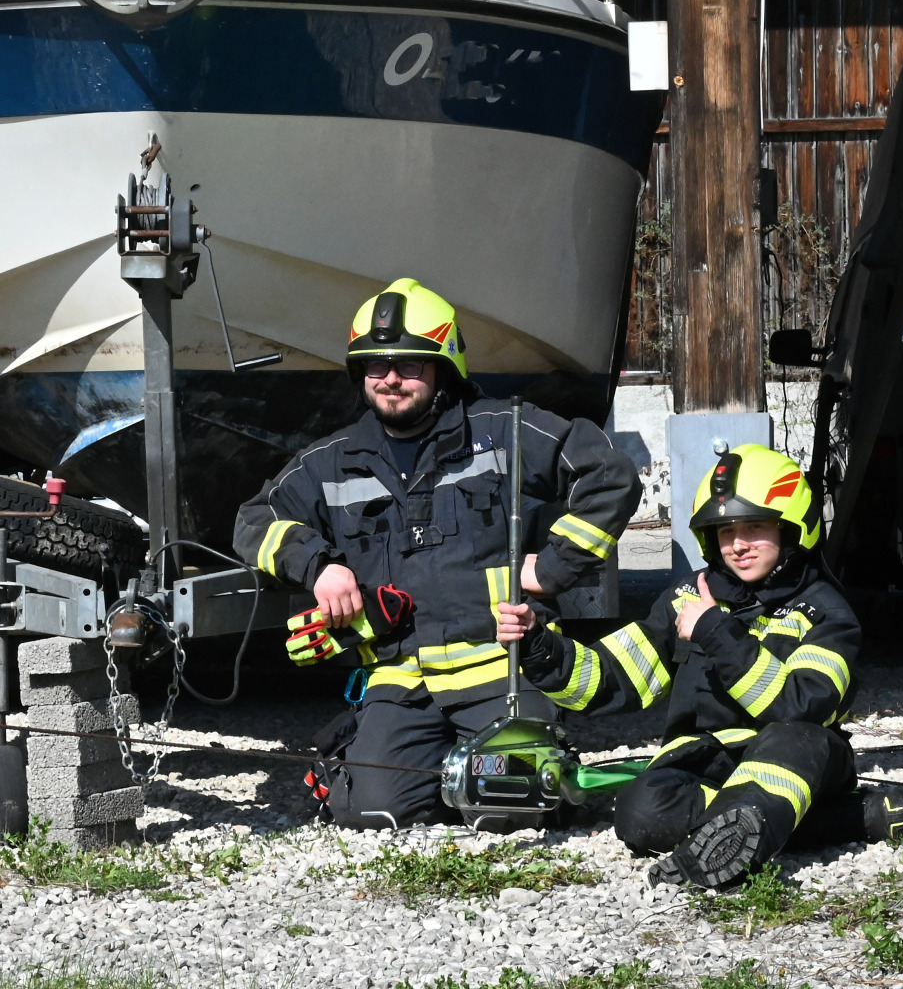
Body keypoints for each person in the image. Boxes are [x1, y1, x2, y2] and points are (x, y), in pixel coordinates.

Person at [233, 277, 641, 829]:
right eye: (376, 366)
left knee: (514, 810)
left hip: (501, 666)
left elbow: (609, 474)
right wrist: (318, 565)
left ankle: (495, 774)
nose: (391, 378)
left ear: (444, 367)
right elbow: (253, 520)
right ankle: (451, 772)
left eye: (410, 364)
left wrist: (555, 567)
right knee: (372, 812)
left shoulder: (503, 431)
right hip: (401, 680)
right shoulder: (331, 461)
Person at [497, 443, 903, 888]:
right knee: (639, 811)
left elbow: (803, 707)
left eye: (755, 526)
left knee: (792, 738)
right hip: (713, 758)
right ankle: (854, 818)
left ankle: (717, 852)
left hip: (800, 759)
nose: (738, 545)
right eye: (725, 530)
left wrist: (716, 631)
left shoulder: (825, 613)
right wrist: (538, 645)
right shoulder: (688, 597)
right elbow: (610, 677)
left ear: (792, 529)